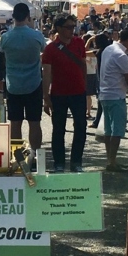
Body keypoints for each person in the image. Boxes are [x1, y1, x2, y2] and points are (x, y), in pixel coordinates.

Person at [0, 2, 48, 163]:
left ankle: (17, 157)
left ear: (13, 16)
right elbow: (44, 50)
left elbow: (2, 53)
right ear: (28, 16)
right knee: (35, 122)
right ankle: (35, 156)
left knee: (15, 123)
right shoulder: (36, 36)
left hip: (13, 85)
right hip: (34, 83)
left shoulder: (5, 37)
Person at [42, 14, 88, 173]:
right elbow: (46, 74)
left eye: (73, 26)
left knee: (81, 127)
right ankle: (59, 163)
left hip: (78, 92)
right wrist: (46, 97)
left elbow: (83, 65)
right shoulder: (50, 49)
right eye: (68, 27)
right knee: (58, 129)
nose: (72, 30)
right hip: (58, 94)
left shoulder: (79, 43)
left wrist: (85, 85)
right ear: (59, 28)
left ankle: (76, 162)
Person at [95, 29, 128, 171]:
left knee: (108, 130)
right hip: (116, 95)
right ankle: (112, 161)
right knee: (117, 130)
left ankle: (110, 160)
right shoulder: (121, 55)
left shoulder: (108, 49)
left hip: (104, 94)